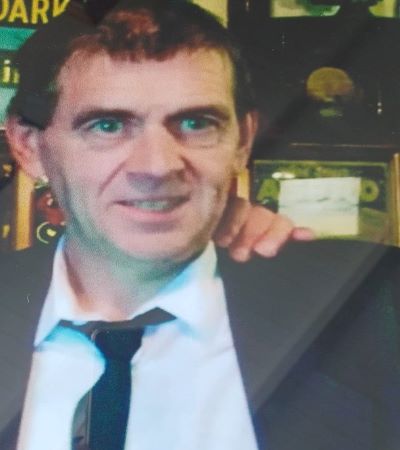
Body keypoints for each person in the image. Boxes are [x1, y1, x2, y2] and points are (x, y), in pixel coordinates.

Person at [0, 1, 399, 449]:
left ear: (242, 140)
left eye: (195, 123)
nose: (158, 166)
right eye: (107, 125)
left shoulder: (374, 309)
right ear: (28, 146)